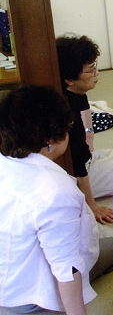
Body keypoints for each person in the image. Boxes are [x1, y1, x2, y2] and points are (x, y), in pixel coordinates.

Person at [0, 86, 99, 314]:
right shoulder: (55, 191)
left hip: (8, 281)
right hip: (27, 300)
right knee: (110, 246)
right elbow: (67, 268)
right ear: (51, 137)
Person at [56, 34, 113, 280]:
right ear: (69, 78)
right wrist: (92, 205)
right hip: (75, 174)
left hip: (84, 160)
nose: (96, 73)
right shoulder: (63, 115)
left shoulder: (77, 92)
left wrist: (89, 137)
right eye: (90, 69)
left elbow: (87, 116)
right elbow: (77, 168)